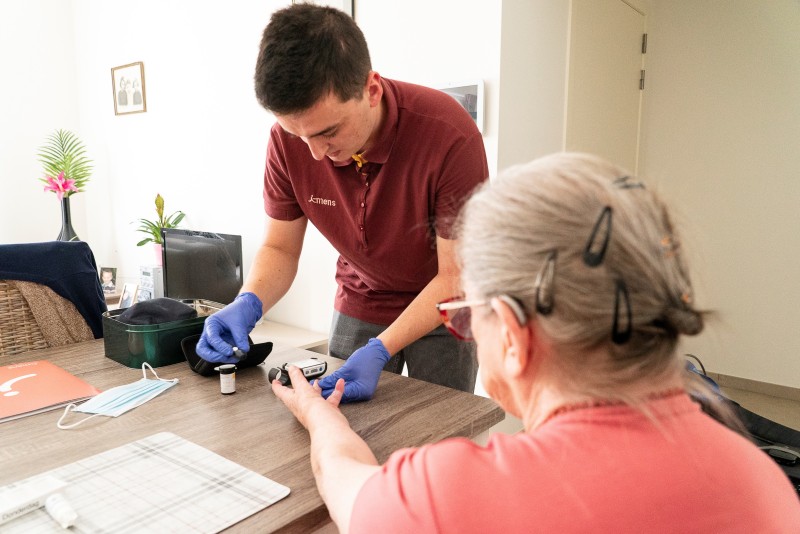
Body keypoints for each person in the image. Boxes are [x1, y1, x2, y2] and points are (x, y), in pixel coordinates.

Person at [272, 153, 800, 533]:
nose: (467, 330)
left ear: (515, 335)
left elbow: (342, 481)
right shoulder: (763, 481)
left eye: (467, 317)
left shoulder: (445, 498)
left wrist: (321, 417)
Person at [196, 4, 488, 402]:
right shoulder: (287, 142)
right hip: (361, 295)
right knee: (339, 420)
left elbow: (455, 277)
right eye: (298, 136)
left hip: (441, 302)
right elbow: (280, 247)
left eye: (327, 132)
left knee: (441, 435)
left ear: (371, 89)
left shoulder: (449, 136)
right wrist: (249, 300)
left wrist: (382, 348)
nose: (315, 154)